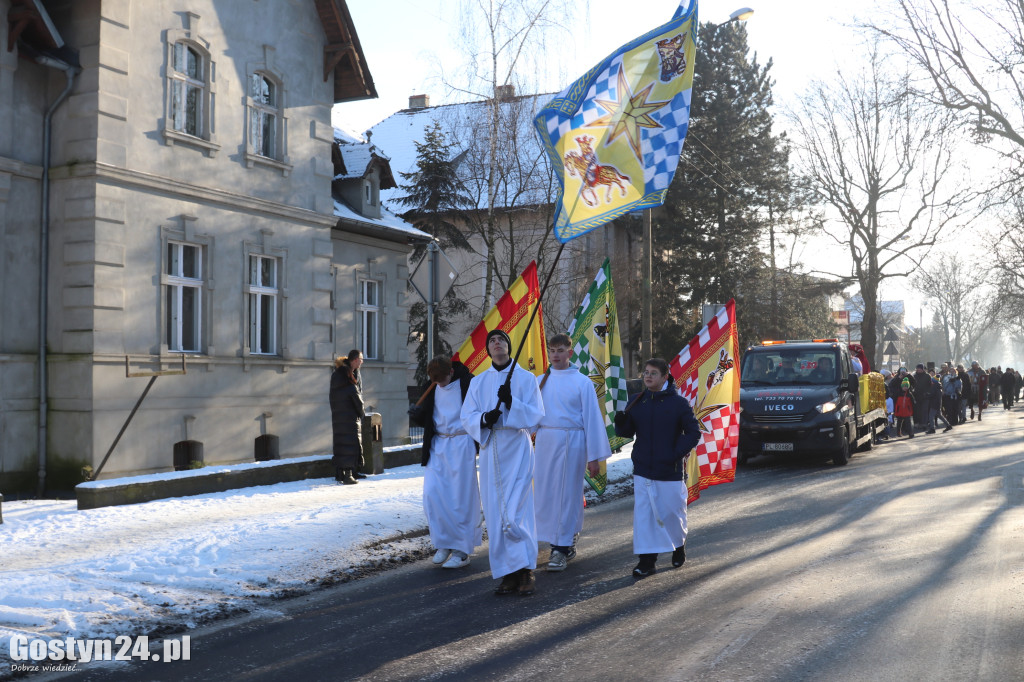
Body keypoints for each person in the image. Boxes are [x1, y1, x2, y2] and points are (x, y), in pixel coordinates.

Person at [461, 329, 545, 596]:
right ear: (488, 350)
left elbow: (536, 414)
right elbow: (467, 415)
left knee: (516, 511)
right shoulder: (478, 382)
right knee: (497, 514)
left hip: (517, 449)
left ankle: (526, 570)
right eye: (492, 341)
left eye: (501, 340)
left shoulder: (526, 378)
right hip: (491, 449)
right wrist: (484, 419)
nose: (496, 343)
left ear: (508, 346)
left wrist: (512, 403)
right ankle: (508, 573)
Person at [613, 359, 701, 578]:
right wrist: (621, 421)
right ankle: (646, 561)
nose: (648, 376)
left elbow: (693, 432)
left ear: (664, 377)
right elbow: (626, 433)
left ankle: (678, 545)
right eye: (645, 372)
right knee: (645, 516)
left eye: (653, 373)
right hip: (643, 469)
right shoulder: (637, 401)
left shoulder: (678, 404)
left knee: (672, 513)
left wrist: (674, 453)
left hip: (669, 470)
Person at [533, 334, 612, 572]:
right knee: (546, 494)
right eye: (552, 350)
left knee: (567, 494)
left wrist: (594, 457)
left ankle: (561, 547)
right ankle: (555, 538)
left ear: (569, 352)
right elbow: (532, 416)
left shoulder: (582, 382)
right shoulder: (540, 381)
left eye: (560, 350)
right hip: (546, 442)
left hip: (572, 441)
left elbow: (592, 419)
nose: (555, 355)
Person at [408, 356, 481, 570]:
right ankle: (444, 543)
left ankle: (462, 549)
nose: (439, 384)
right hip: (438, 444)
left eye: (442, 380)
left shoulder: (467, 383)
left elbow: (477, 411)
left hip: (461, 442)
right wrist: (417, 416)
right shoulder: (431, 385)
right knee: (433, 495)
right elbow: (428, 418)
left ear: (451, 372)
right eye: (435, 381)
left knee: (460, 498)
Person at [330, 349, 365, 485]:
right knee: (349, 443)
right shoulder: (347, 374)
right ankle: (348, 474)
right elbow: (355, 394)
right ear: (355, 360)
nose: (362, 362)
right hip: (348, 415)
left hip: (339, 414)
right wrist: (361, 412)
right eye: (361, 359)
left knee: (342, 442)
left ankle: (342, 473)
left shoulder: (338, 374)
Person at [912, 364, 932, 432]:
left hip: (925, 396)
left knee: (924, 411)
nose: (918, 370)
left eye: (920, 369)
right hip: (917, 396)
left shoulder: (927, 376)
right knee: (917, 411)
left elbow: (930, 386)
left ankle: (924, 424)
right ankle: (919, 423)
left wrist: (927, 393)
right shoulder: (914, 376)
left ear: (923, 369)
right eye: (917, 369)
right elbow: (913, 385)